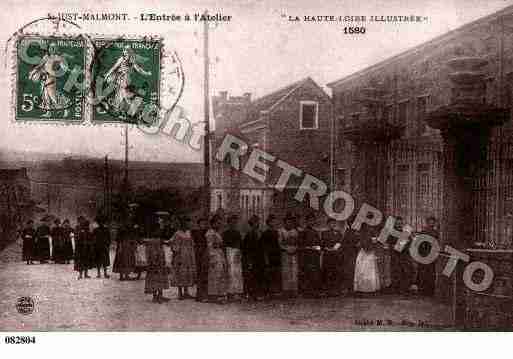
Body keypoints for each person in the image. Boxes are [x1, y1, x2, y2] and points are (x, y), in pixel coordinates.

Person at [169, 216, 196, 300]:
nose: (188, 224)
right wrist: (176, 255)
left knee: (187, 272)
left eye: (188, 222)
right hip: (180, 255)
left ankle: (186, 292)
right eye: (186, 222)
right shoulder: (177, 233)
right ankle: (180, 292)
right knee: (180, 272)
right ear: (182, 224)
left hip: (189, 254)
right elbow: (174, 245)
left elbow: (192, 243)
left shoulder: (189, 232)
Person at [145, 217, 170, 303]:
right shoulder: (152, 241)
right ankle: (155, 296)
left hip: (160, 262)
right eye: (157, 230)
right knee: (154, 278)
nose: (159, 231)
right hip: (154, 262)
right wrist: (153, 261)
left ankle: (160, 295)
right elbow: (150, 253)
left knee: (160, 278)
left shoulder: (159, 240)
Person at [298, 213, 322, 297]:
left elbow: (319, 244)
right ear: (307, 221)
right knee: (307, 273)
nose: (311, 222)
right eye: (310, 220)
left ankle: (314, 291)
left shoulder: (315, 232)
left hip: (315, 256)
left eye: (313, 220)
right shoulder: (303, 232)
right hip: (307, 256)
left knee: (315, 273)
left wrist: (318, 248)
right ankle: (307, 292)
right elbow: (300, 245)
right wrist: (309, 248)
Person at [242, 215, 265, 301]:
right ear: (251, 224)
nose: (257, 224)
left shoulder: (261, 233)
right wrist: (248, 259)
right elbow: (246, 248)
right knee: (252, 275)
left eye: (257, 222)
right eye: (255, 222)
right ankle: (251, 293)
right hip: (252, 257)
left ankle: (259, 293)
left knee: (260, 275)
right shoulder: (249, 234)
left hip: (260, 257)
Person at [206, 214, 228, 304]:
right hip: (214, 254)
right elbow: (210, 246)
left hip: (219, 253)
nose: (219, 224)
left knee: (220, 273)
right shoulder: (210, 233)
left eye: (220, 223)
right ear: (213, 223)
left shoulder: (217, 233)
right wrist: (212, 257)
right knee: (215, 274)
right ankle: (213, 295)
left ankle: (219, 294)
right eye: (217, 223)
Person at [415, 216, 439, 296]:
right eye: (430, 222)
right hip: (424, 254)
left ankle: (430, 291)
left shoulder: (436, 232)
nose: (431, 223)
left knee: (431, 273)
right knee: (423, 272)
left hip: (432, 255)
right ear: (427, 223)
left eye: (433, 222)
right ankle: (422, 290)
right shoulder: (423, 231)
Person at [389, 216, 414, 294]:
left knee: (405, 271)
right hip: (395, 255)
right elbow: (389, 243)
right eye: (397, 223)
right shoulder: (392, 232)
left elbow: (410, 242)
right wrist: (393, 247)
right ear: (395, 223)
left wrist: (406, 244)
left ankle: (403, 289)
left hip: (404, 254)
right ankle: (395, 288)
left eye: (400, 223)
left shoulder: (406, 232)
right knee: (396, 271)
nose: (399, 224)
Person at [354, 227, 381, 294]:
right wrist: (362, 246)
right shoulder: (360, 231)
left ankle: (370, 288)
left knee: (370, 270)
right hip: (363, 252)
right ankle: (361, 288)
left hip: (370, 252)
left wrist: (371, 247)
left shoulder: (373, 232)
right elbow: (358, 243)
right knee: (362, 270)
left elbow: (375, 242)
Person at [321, 218, 344, 296]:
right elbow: (322, 244)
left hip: (335, 255)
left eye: (334, 223)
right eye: (331, 223)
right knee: (327, 272)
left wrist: (335, 248)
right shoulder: (324, 233)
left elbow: (340, 243)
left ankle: (335, 290)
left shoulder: (339, 233)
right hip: (327, 255)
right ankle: (327, 290)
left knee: (335, 272)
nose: (333, 225)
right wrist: (327, 248)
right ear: (328, 224)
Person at [223, 215, 244, 301]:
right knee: (230, 272)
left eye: (235, 222)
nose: (233, 224)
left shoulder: (238, 233)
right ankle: (230, 293)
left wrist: (239, 252)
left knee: (237, 273)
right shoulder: (225, 233)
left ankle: (237, 292)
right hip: (229, 252)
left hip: (236, 253)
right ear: (228, 223)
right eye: (231, 222)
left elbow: (240, 244)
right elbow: (224, 245)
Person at [113, 211, 139, 281]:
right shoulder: (124, 227)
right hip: (123, 244)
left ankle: (125, 275)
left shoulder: (128, 226)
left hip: (126, 244)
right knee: (123, 259)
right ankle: (123, 275)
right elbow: (120, 237)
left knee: (126, 259)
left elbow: (131, 235)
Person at [278, 213, 299, 298]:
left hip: (294, 253)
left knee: (294, 271)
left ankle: (294, 290)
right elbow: (279, 243)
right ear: (284, 222)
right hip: (285, 253)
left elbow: (298, 242)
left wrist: (295, 248)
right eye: (287, 222)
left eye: (290, 222)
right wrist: (286, 249)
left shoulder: (295, 231)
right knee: (286, 271)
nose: (289, 223)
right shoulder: (281, 231)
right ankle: (286, 290)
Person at [261, 215, 282, 298]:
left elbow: (279, 244)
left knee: (277, 272)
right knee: (269, 273)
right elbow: (264, 246)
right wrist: (266, 257)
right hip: (270, 255)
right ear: (268, 223)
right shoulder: (265, 233)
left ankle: (275, 291)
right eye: (272, 221)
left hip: (276, 255)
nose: (273, 223)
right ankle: (268, 292)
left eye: (274, 221)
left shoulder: (277, 232)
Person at [192, 217, 209, 302]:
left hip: (205, 253)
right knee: (199, 274)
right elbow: (193, 243)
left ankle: (205, 294)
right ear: (198, 224)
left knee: (205, 274)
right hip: (198, 254)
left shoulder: (207, 232)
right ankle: (199, 295)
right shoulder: (195, 232)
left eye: (205, 223)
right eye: (202, 223)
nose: (203, 225)